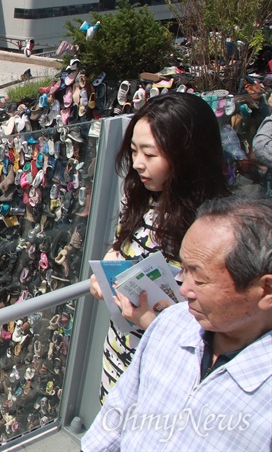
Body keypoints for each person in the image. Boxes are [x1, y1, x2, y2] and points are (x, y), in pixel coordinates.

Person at [82, 195, 272, 452]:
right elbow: (119, 412)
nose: (184, 290)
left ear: (265, 290)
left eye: (200, 279)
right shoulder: (172, 323)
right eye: (183, 269)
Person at [89, 92, 230, 402]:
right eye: (134, 151)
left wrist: (154, 324)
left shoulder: (215, 230)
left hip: (164, 372)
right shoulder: (145, 198)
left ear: (187, 155)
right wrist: (112, 262)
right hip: (120, 356)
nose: (138, 164)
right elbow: (128, 252)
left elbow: (220, 327)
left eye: (150, 154)